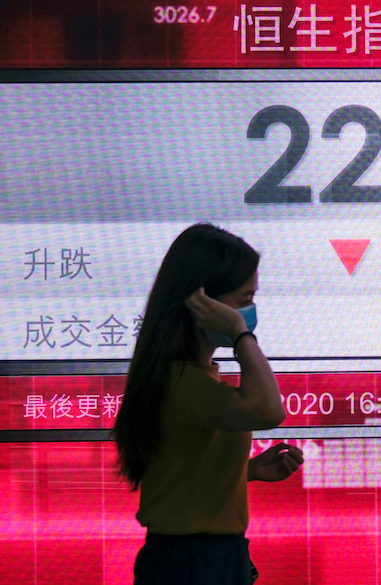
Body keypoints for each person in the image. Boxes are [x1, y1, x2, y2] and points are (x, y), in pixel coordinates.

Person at [112, 223, 303, 584]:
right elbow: (268, 410)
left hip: (193, 559)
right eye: (244, 300)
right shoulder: (184, 382)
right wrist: (240, 333)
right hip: (195, 563)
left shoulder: (182, 376)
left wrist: (245, 471)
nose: (249, 310)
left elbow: (180, 475)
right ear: (204, 304)